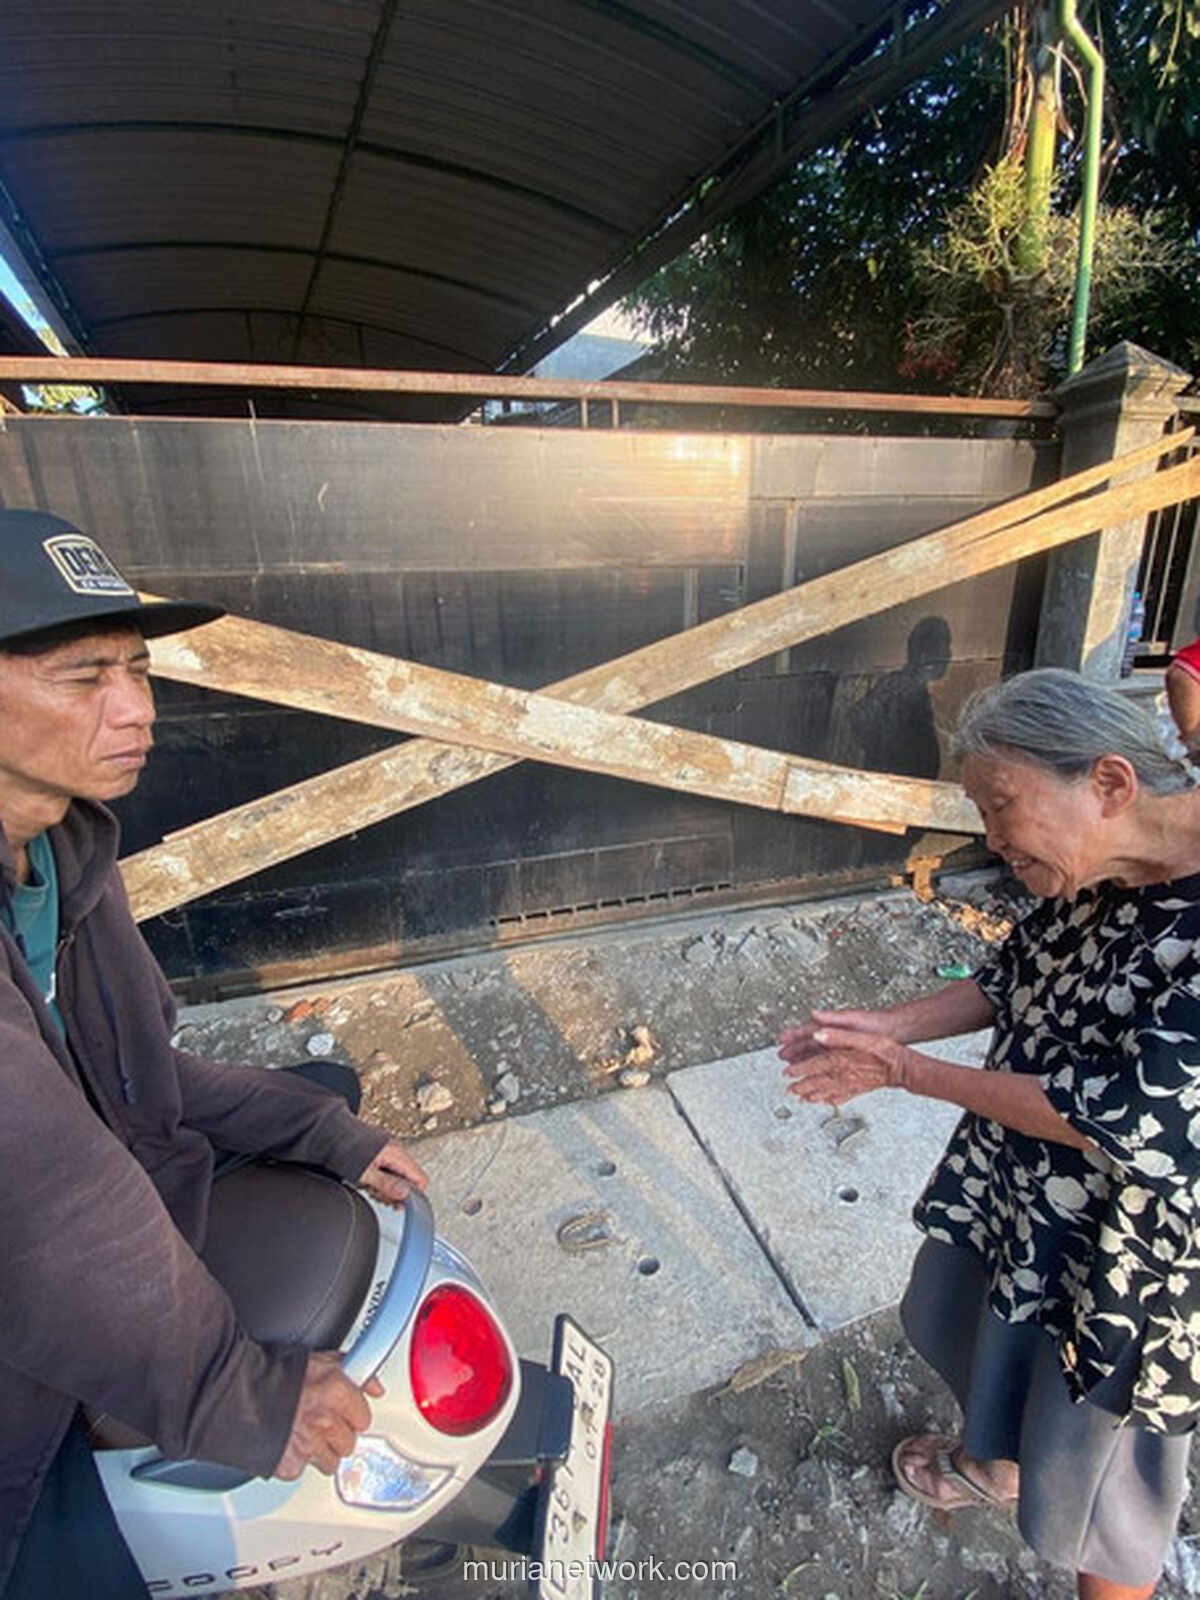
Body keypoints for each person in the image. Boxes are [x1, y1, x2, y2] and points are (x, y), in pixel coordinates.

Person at [0, 509, 429, 1600]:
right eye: (82, 675)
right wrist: (234, 1389)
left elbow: (144, 1071)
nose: (137, 709)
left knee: (322, 1089)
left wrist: (324, 1130)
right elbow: (48, 1195)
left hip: (77, 1183)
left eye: (139, 670)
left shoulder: (63, 846)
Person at [779, 667, 1200, 1600]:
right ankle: (998, 1465)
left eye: (1002, 806)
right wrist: (887, 1026)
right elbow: (1017, 974)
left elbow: (1123, 1117)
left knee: (1102, 1500)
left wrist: (907, 1073)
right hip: (1035, 1201)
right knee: (1000, 1353)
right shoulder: (1110, 860)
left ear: (1111, 784)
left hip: (1128, 1262)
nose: (993, 837)